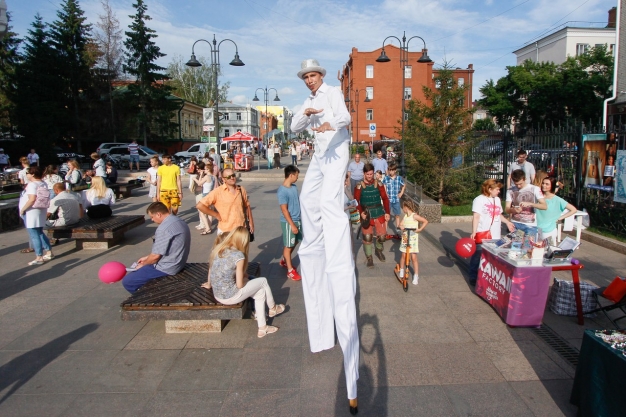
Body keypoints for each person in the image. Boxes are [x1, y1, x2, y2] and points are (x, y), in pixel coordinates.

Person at [290, 58, 359, 411]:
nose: (309, 80)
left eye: (313, 75)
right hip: (318, 155)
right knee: (307, 198)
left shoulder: (333, 93)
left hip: (337, 151)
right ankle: (314, 241)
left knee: (331, 201)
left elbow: (346, 118)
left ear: (321, 76)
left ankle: (335, 238)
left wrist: (329, 119)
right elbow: (293, 125)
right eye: (305, 77)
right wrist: (308, 114)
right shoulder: (308, 100)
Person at [201, 227, 285, 338]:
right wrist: (247, 280)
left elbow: (212, 269)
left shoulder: (220, 249)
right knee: (263, 281)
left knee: (259, 292)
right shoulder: (238, 256)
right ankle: (273, 308)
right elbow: (240, 285)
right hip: (230, 296)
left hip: (218, 295)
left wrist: (209, 283)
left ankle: (263, 328)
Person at [122, 202, 191, 293]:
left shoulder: (163, 228)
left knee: (128, 282)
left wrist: (143, 264)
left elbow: (155, 257)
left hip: (167, 267)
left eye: (152, 217)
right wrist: (147, 257)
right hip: (178, 262)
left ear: (158, 214)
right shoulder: (178, 221)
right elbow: (168, 248)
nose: (152, 220)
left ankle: (146, 300)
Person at [469, 179, 515, 285]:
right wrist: (474, 231)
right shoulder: (479, 200)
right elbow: (476, 216)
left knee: (492, 257)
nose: (499, 191)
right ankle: (473, 275)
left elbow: (498, 214)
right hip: (483, 233)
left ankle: (487, 276)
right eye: (497, 189)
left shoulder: (497, 200)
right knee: (478, 255)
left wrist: (507, 222)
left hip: (495, 234)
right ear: (490, 189)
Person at [197, 168, 254, 235]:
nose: (232, 178)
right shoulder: (218, 192)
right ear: (223, 179)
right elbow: (200, 205)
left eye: (233, 175)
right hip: (225, 230)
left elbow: (247, 206)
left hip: (241, 229)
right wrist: (216, 215)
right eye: (229, 177)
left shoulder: (241, 189)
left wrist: (251, 222)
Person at [354, 163, 391, 268]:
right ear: (364, 173)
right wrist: (361, 212)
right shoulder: (359, 186)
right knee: (367, 237)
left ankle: (379, 250)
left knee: (383, 236)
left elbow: (385, 199)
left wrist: (387, 212)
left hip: (379, 212)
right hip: (367, 214)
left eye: (371, 174)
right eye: (368, 174)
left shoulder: (378, 184)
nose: (370, 176)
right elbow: (356, 201)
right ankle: (369, 257)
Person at [19, 166, 54, 265]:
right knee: (39, 232)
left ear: (33, 174)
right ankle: (48, 251)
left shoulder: (32, 185)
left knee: (34, 235)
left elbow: (32, 199)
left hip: (31, 211)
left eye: (28, 173)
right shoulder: (43, 183)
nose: (27, 175)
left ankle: (39, 256)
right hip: (40, 210)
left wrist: (23, 209)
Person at [277, 165, 303, 281]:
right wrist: (292, 225)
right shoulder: (282, 191)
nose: (297, 178)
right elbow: (284, 209)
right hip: (289, 222)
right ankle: (290, 270)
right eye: (296, 175)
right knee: (288, 246)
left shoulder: (294, 187)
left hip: (298, 219)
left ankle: (284, 260)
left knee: (296, 241)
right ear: (291, 175)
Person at [536, 177, 577, 245]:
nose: (544, 185)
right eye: (543, 183)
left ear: (552, 186)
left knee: (546, 251)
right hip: (536, 228)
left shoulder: (558, 200)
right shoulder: (539, 197)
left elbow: (573, 209)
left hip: (548, 229)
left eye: (547, 184)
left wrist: (560, 218)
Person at [505, 169, 547, 235]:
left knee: (528, 245)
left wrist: (530, 204)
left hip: (530, 225)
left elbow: (544, 206)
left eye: (520, 184)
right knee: (515, 245)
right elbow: (507, 209)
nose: (518, 186)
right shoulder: (510, 190)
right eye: (516, 184)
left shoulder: (535, 189)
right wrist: (513, 210)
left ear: (524, 179)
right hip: (515, 223)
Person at [398, 199, 428, 285]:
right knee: (403, 255)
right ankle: (402, 269)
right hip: (405, 238)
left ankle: (416, 275)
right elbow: (401, 224)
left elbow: (425, 221)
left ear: (406, 207)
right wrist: (401, 226)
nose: (402, 209)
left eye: (403, 207)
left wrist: (420, 229)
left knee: (414, 257)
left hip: (413, 240)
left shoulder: (414, 216)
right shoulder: (405, 217)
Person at [193, 161, 217, 234]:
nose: (204, 170)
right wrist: (201, 175)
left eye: (205, 169)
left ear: (208, 170)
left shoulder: (206, 177)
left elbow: (199, 183)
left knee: (201, 212)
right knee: (210, 212)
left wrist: (194, 179)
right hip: (211, 195)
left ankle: (207, 228)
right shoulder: (214, 176)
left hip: (205, 195)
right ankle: (209, 227)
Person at [382, 162, 406, 233]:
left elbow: (404, 185)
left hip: (396, 199)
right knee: (386, 216)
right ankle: (385, 231)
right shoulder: (386, 178)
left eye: (392, 170)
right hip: (388, 200)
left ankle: (398, 230)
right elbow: (384, 187)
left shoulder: (399, 178)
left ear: (395, 170)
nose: (390, 171)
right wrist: (386, 194)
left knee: (397, 215)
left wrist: (401, 192)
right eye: (389, 170)